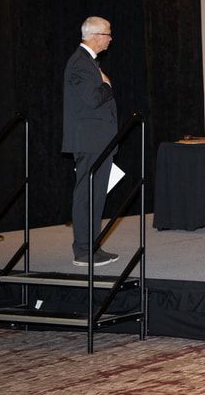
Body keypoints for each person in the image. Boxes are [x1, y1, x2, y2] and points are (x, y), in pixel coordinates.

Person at [61, 16, 119, 267]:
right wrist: (107, 86)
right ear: (95, 36)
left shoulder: (87, 62)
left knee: (95, 194)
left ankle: (92, 247)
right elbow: (93, 99)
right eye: (107, 34)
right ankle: (83, 250)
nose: (110, 39)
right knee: (87, 194)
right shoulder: (80, 63)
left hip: (98, 140)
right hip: (90, 140)